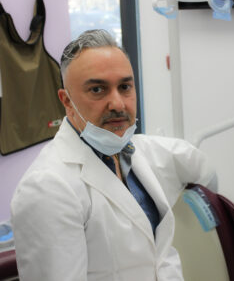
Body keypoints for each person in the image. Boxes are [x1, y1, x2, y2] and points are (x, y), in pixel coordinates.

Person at [11, 29, 217, 281]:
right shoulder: (47, 187)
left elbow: (204, 170)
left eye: (125, 86)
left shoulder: (140, 151)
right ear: (66, 101)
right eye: (98, 90)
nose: (118, 104)